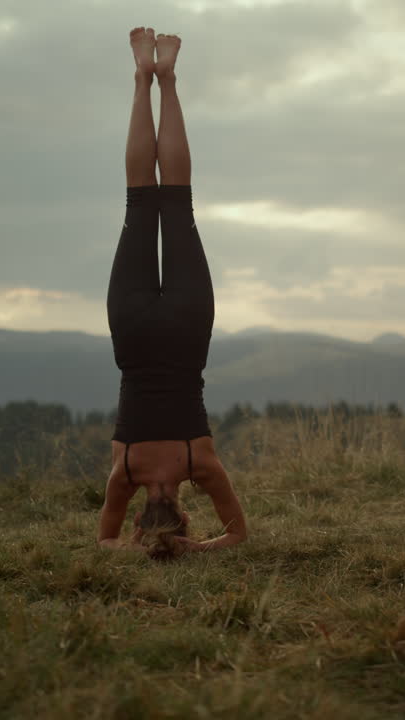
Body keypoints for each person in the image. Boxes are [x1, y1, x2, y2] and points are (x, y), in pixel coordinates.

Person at [96, 27, 248, 559]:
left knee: (176, 203)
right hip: (134, 336)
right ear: (143, 515)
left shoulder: (197, 464)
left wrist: (193, 548)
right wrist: (144, 550)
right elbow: (104, 541)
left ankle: (168, 80)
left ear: (184, 515)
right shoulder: (126, 468)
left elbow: (237, 536)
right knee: (141, 201)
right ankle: (144, 78)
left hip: (185, 331)